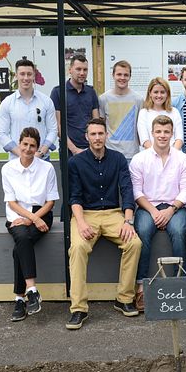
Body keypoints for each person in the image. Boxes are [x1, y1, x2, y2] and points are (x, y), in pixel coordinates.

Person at [66, 117, 142, 330]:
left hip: (113, 214)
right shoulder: (76, 163)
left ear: (106, 135)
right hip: (86, 214)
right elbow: (74, 197)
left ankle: (124, 298)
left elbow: (127, 190)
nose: (97, 138)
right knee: (78, 248)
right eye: (93, 134)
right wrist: (80, 223)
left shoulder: (118, 159)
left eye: (101, 133)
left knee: (134, 243)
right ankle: (78, 308)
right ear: (87, 137)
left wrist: (128, 221)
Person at [129, 115, 186, 311]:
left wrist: (171, 210)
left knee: (179, 232)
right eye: (158, 131)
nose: (162, 135)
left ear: (172, 133)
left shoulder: (182, 158)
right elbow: (137, 192)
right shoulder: (139, 159)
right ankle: (141, 287)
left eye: (166, 132)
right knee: (142, 233)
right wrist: (153, 211)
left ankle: (180, 285)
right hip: (147, 206)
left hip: (175, 207)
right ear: (152, 133)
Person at [1, 127, 59, 322]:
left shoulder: (47, 168)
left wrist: (34, 218)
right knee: (23, 237)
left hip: (42, 213)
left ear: (37, 148)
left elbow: (51, 201)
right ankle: (31, 290)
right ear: (19, 144)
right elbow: (11, 202)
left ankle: (19, 298)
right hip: (17, 214)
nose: (28, 148)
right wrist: (29, 219)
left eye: (32, 145)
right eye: (25, 144)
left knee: (19, 249)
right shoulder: (8, 169)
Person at [0, 58, 57, 161]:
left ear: (34, 76)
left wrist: (40, 152)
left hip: (42, 159)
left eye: (29, 74)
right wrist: (22, 154)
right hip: (16, 160)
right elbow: (1, 133)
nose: (26, 78)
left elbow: (53, 130)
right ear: (16, 76)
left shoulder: (46, 101)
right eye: (22, 74)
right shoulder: (7, 103)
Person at [50, 54, 99, 155]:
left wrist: (92, 147)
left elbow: (96, 122)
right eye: (78, 69)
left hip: (90, 149)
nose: (82, 73)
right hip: (68, 151)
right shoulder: (58, 92)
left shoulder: (91, 92)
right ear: (70, 70)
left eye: (85, 70)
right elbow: (58, 125)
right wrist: (74, 149)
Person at [98, 60, 144, 159]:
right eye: (119, 74)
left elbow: (140, 127)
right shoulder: (103, 99)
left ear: (130, 77)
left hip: (132, 154)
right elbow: (102, 125)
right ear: (113, 75)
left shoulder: (138, 99)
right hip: (110, 153)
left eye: (126, 75)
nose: (122, 78)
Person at [137, 77, 184, 151]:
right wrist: (157, 157)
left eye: (162, 92)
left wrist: (171, 156)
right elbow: (145, 140)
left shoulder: (174, 112)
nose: (159, 95)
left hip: (173, 157)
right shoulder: (144, 113)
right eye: (156, 92)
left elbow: (179, 138)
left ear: (167, 94)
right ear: (150, 93)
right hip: (150, 158)